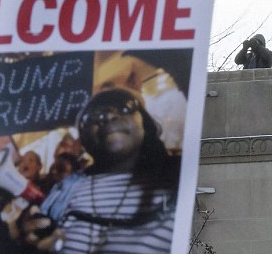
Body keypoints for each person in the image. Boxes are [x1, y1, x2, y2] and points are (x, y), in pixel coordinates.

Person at [19, 87, 178, 253]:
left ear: (145, 122)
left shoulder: (180, 178)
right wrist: (33, 237)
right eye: (93, 116)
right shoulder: (68, 186)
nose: (108, 116)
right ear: (84, 138)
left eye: (124, 108)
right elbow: (38, 237)